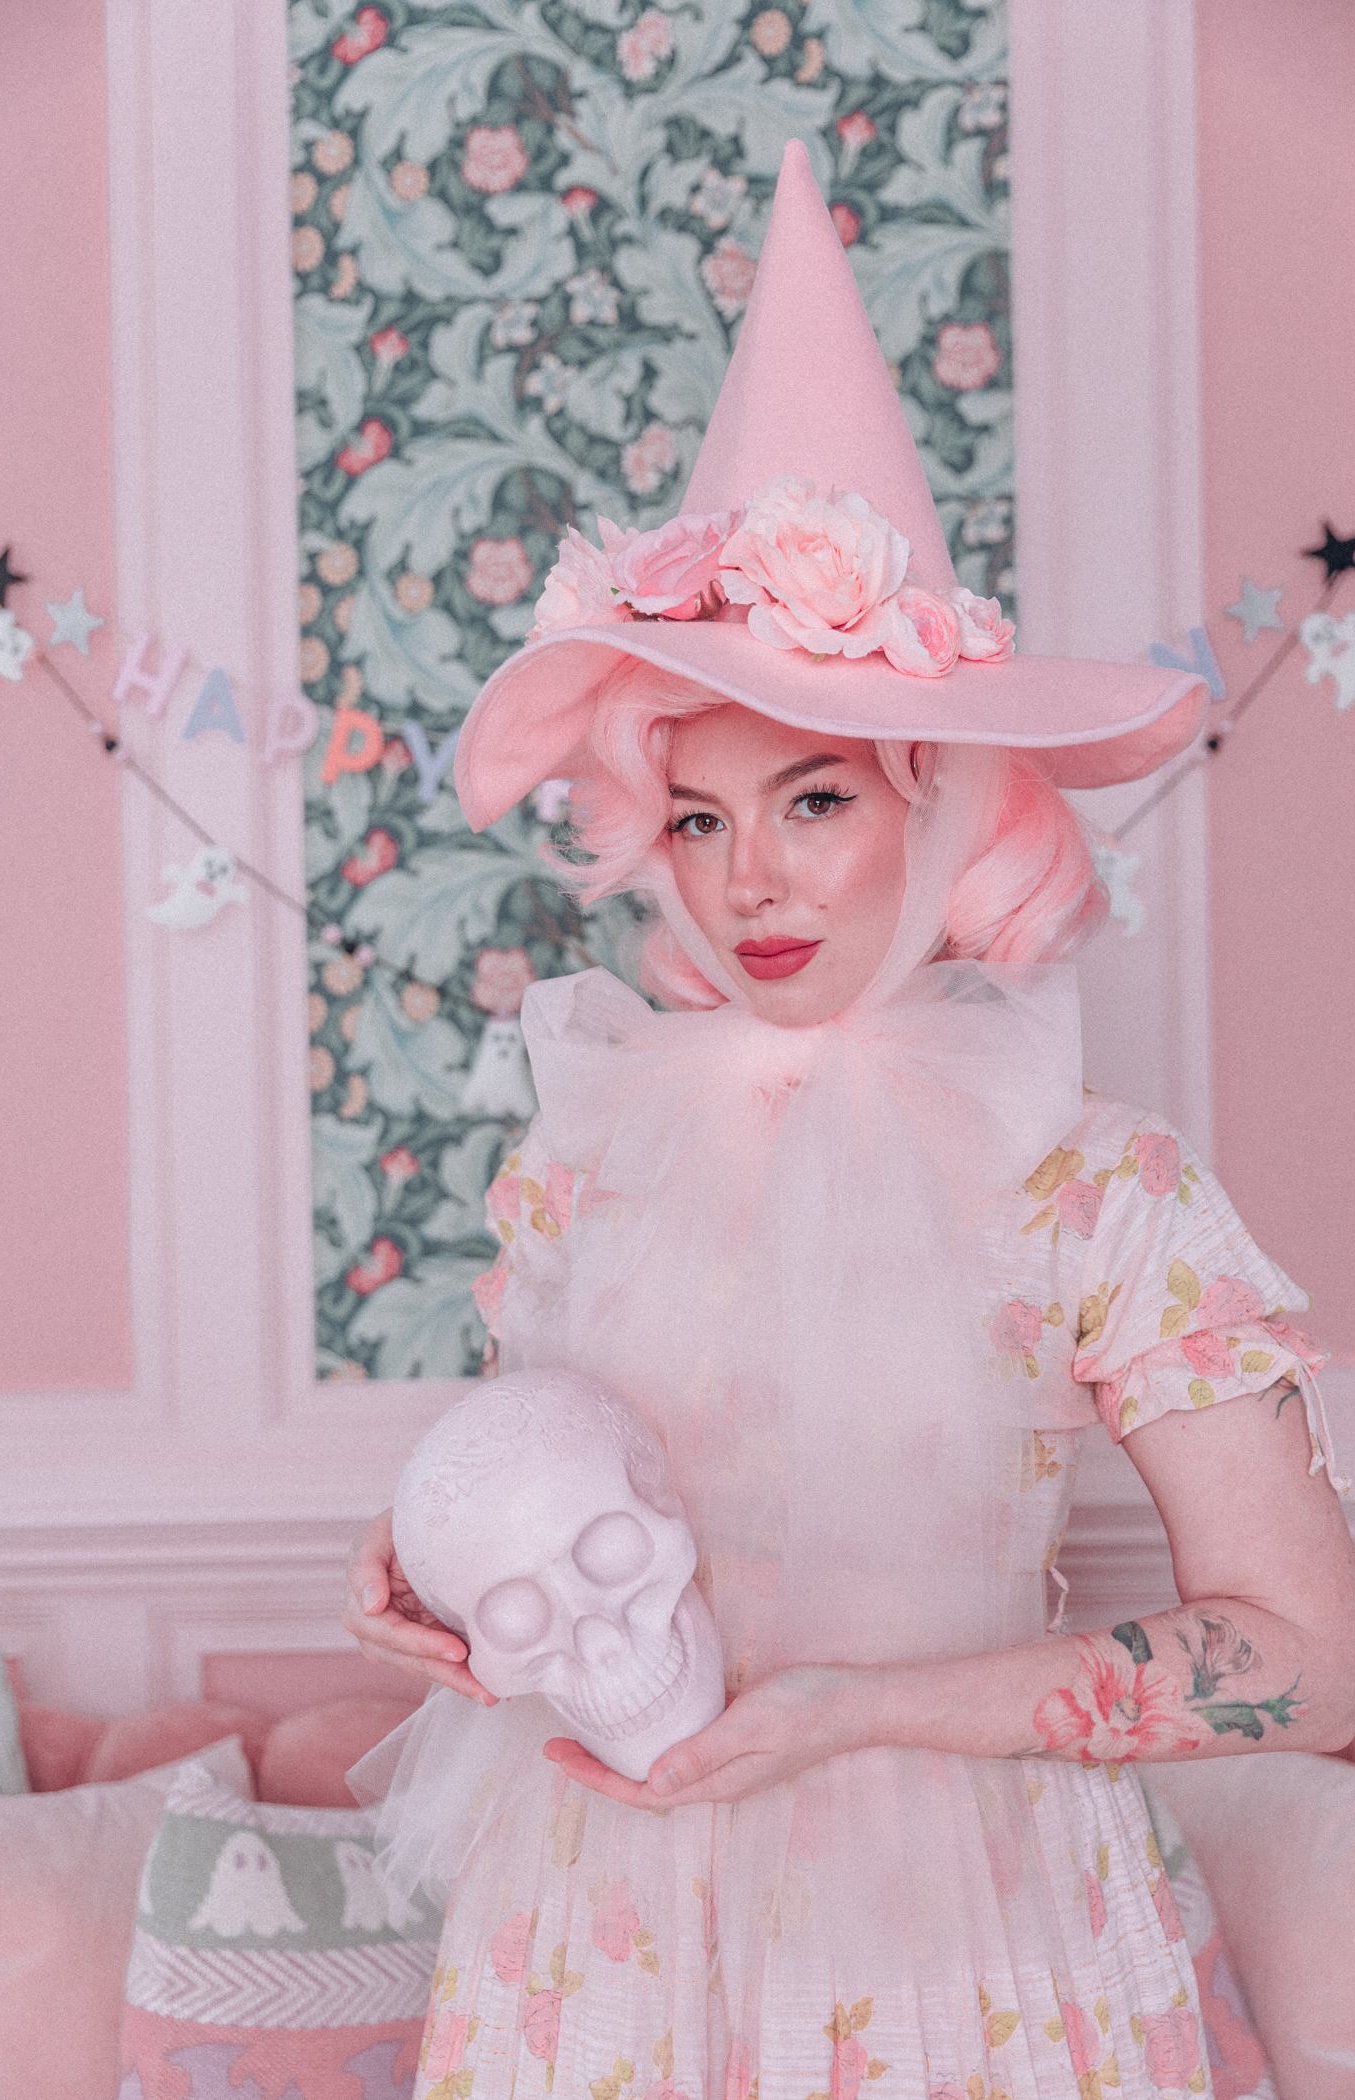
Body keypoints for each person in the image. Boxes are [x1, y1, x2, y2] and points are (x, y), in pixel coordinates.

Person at [344, 145, 1355, 2098]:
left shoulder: (1091, 1182)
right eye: (703, 820)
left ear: (938, 797)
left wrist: (859, 1713)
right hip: (597, 1940)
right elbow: (562, 1500)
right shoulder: (587, 1152)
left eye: (812, 801)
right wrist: (438, 1590)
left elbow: (1313, 1654)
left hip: (967, 1940)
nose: (750, 889)